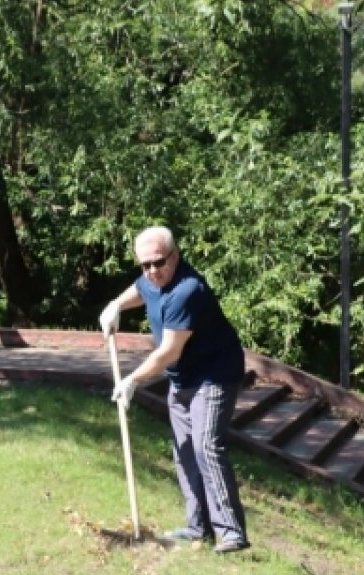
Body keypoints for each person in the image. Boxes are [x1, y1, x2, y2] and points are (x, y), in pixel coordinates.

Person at [99, 226, 250, 553]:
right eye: (145, 265)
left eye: (159, 262)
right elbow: (140, 290)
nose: (153, 271)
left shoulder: (187, 290)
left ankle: (231, 533)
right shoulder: (153, 280)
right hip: (182, 379)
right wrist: (115, 305)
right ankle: (198, 529)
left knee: (206, 447)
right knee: (183, 450)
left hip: (213, 375)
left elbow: (168, 351)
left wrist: (133, 380)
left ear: (175, 256)